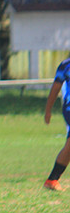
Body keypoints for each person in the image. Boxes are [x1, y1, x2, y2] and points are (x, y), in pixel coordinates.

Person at [42, 54, 70, 191]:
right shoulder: (66, 66)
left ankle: (52, 179)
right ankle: (52, 179)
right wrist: (48, 110)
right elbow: (55, 88)